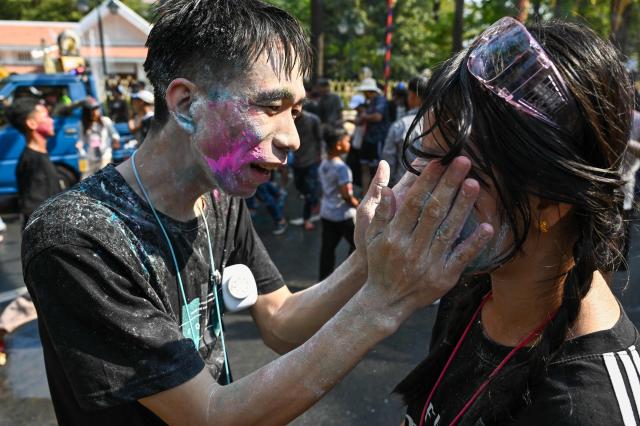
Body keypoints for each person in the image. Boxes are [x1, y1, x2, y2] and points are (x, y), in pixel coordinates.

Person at [21, 1, 492, 424]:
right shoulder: (77, 238)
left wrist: (365, 260)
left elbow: (282, 322)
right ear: (186, 104)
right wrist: (386, 300)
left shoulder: (218, 198)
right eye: (270, 106)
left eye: (296, 110)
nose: (293, 137)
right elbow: (210, 416)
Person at [392, 18, 638, 425]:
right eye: (423, 157)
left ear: (551, 201)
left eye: (452, 167)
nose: (416, 188)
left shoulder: (593, 408)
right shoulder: (475, 288)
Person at [7, 97, 64, 227]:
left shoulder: (39, 156)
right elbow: (34, 209)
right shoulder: (34, 162)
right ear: (31, 124)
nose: (51, 120)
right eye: (46, 116)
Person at [318, 127, 358, 279]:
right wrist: (357, 204)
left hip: (327, 212)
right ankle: (349, 276)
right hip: (343, 215)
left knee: (327, 250)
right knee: (358, 244)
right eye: (347, 141)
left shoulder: (324, 163)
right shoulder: (342, 168)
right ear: (338, 145)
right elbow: (346, 195)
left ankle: (323, 281)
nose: (350, 143)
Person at [382, 75, 429, 186]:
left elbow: (388, 163)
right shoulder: (444, 125)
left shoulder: (400, 126)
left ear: (412, 96)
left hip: (402, 188)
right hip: (432, 191)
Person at [356, 77, 390, 191]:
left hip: (377, 139)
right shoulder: (370, 102)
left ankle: (374, 195)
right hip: (368, 139)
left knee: (377, 170)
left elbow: (377, 117)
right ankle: (365, 193)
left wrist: (364, 116)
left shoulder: (380, 100)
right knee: (364, 167)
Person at [292, 108, 323, 230]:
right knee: (299, 186)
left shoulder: (313, 120)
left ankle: (307, 218)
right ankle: (315, 201)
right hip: (296, 161)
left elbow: (319, 139)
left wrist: (319, 155)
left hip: (311, 161)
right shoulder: (289, 120)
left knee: (310, 191)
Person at [79, 98, 120, 176]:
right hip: (90, 157)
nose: (94, 112)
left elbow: (114, 134)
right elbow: (81, 139)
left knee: (103, 178)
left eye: (96, 109)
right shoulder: (83, 124)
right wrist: (79, 144)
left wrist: (115, 140)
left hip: (105, 156)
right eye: (91, 110)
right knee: (85, 179)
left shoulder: (105, 121)